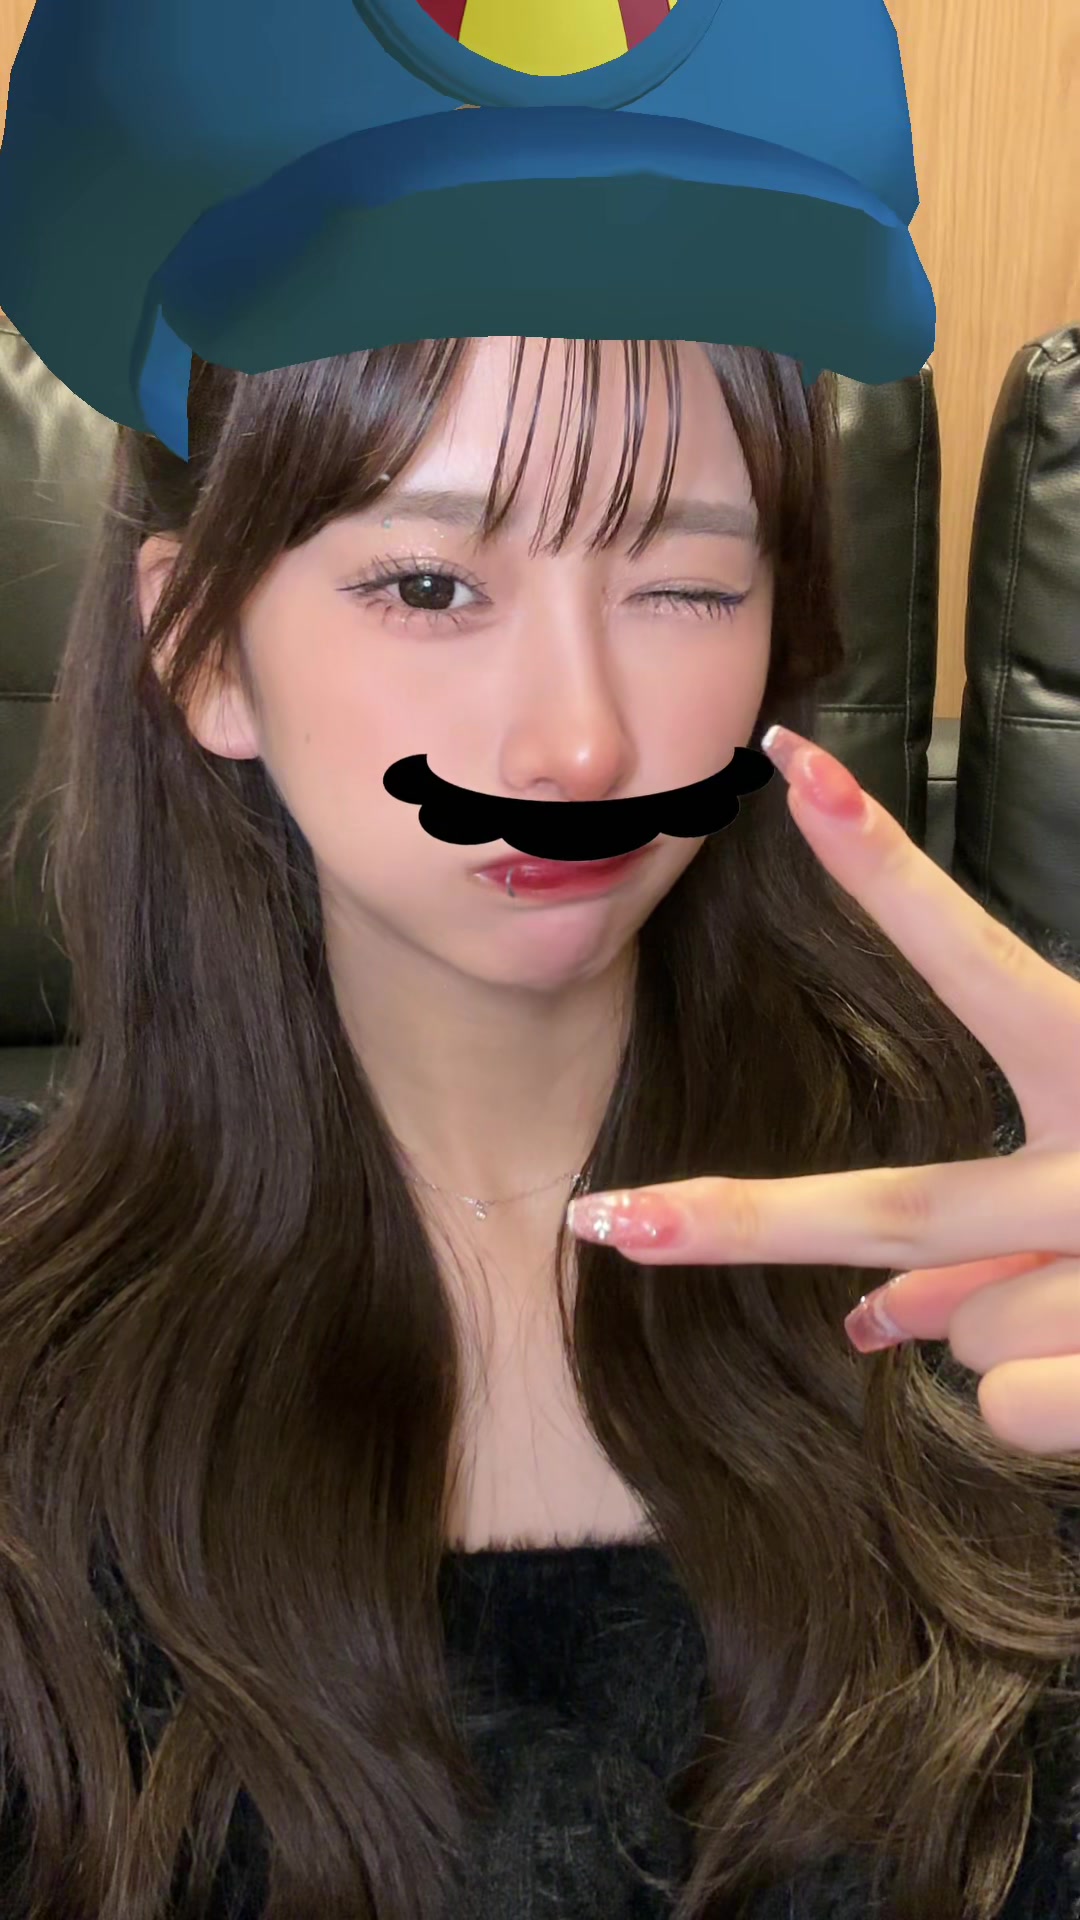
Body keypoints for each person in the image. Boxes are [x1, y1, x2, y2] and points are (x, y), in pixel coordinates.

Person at [2, 327, 1080, 1920]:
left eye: (687, 589)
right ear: (205, 645)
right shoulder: (35, 1364)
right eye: (430, 584)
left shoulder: (1019, 1245)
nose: (582, 745)